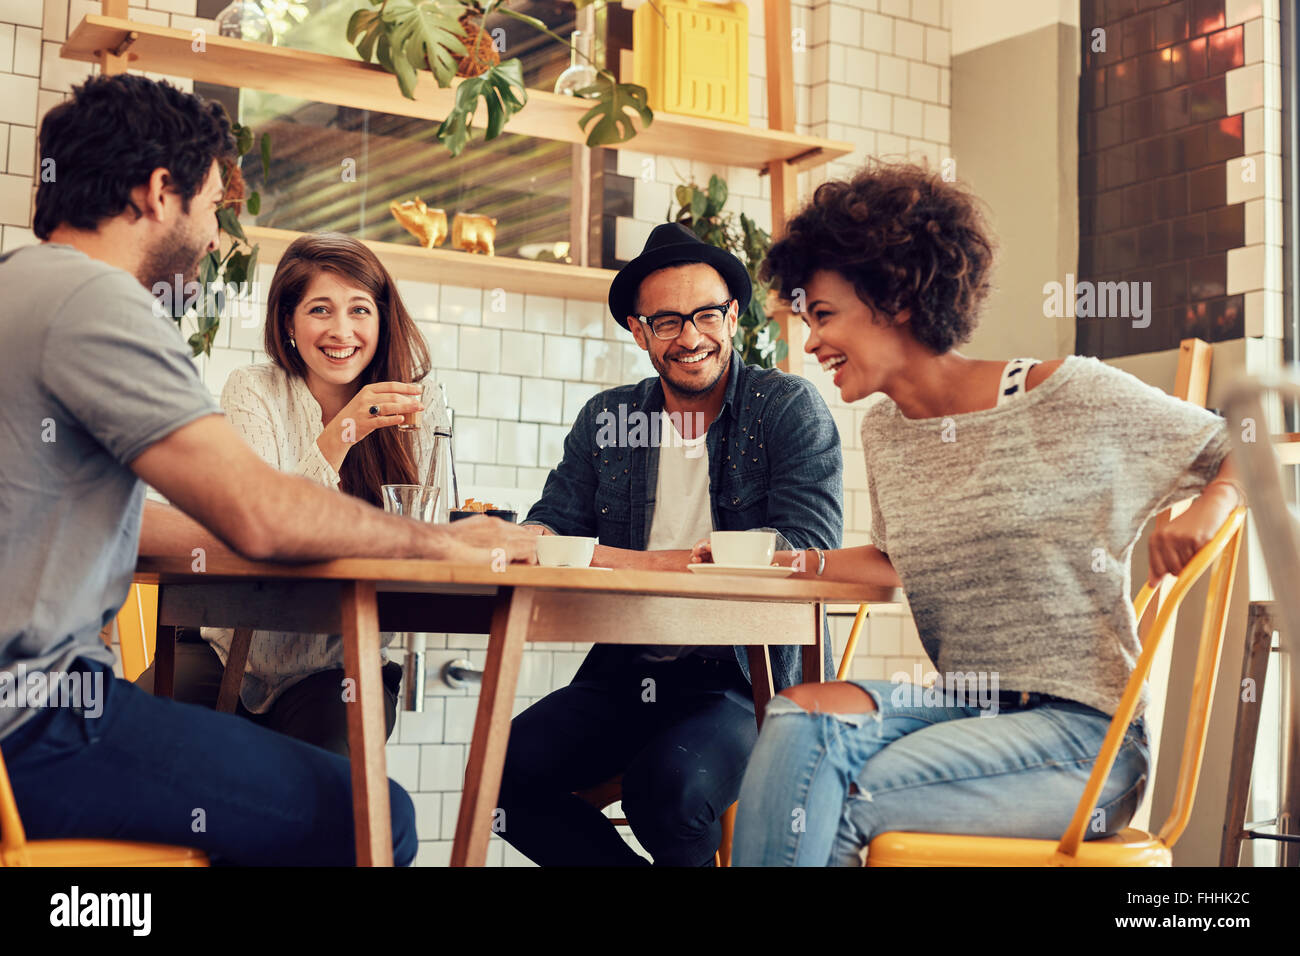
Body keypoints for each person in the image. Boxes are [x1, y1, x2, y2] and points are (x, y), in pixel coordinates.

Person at [0, 74, 535, 866]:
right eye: (214, 207)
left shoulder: (19, 284)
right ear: (157, 192)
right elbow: (260, 512)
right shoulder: (97, 303)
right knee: (375, 816)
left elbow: (130, 517)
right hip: (40, 724)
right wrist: (441, 543)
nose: (216, 240)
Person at [710, 160, 1245, 866]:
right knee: (796, 720)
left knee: (830, 794)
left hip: (1085, 740)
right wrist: (784, 563)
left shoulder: (1070, 396)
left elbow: (1251, 442)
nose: (810, 343)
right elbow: (894, 560)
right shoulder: (886, 432)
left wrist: (1214, 504)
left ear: (895, 297)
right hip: (963, 709)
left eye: (824, 316)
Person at [497, 222, 844, 866]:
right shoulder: (610, 419)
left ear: (733, 316)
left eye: (706, 314)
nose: (690, 337)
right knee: (499, 776)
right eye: (666, 322)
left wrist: (629, 559)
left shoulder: (784, 407)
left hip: (744, 680)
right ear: (639, 331)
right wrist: (518, 537)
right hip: (626, 673)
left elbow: (807, 546)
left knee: (668, 793)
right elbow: (555, 526)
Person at [136, 233, 446, 756]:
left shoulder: (416, 402)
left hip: (339, 665)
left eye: (360, 310)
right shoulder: (253, 390)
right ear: (289, 322)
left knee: (324, 794)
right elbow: (265, 526)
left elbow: (424, 530)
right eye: (319, 309)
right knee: (132, 745)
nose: (341, 330)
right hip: (228, 646)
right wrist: (343, 431)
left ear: (382, 319)